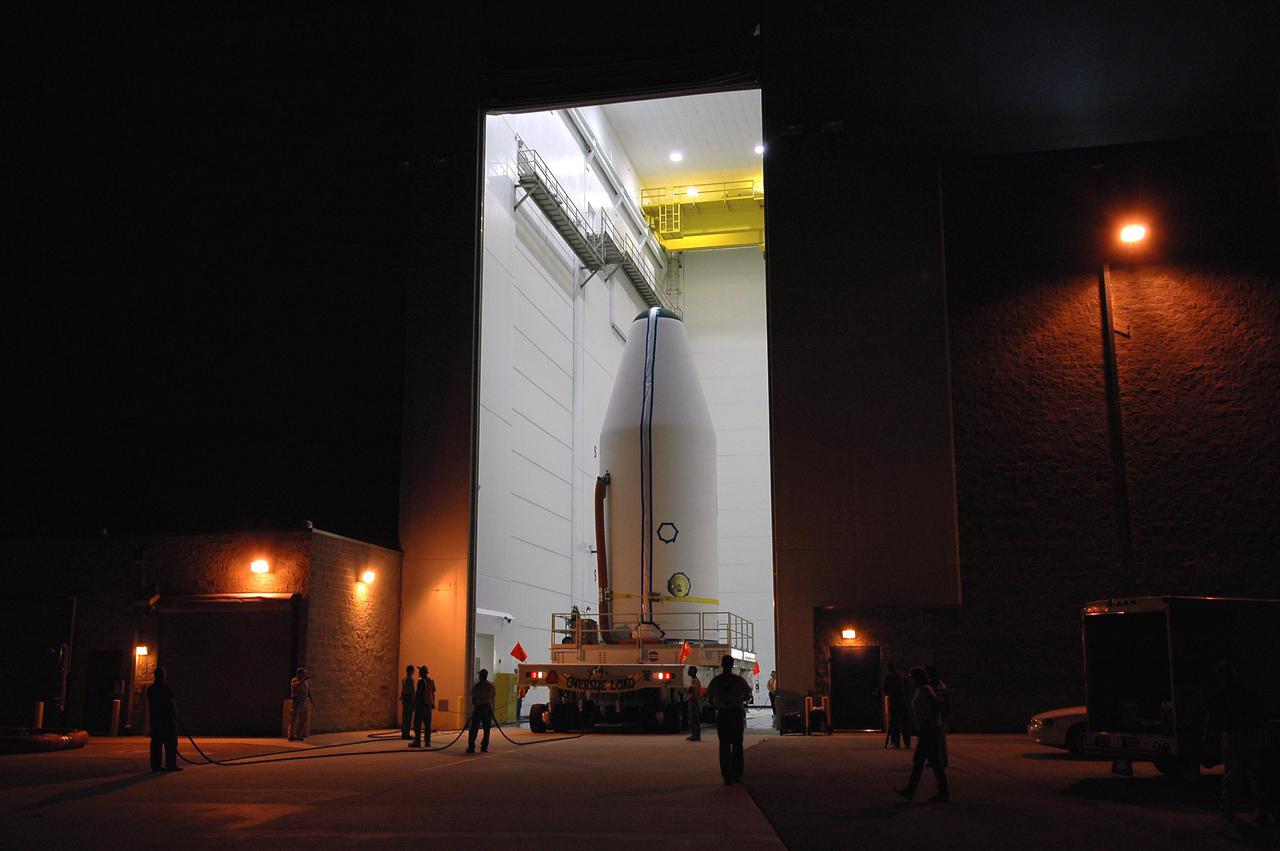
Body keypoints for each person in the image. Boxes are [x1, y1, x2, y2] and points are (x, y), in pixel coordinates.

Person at [1204, 661, 1265, 820]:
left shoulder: (1220, 694)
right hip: (1252, 734)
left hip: (1233, 735)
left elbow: (1211, 716)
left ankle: (1228, 808)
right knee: (1255, 772)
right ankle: (1262, 809)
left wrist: (1207, 735)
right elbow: (1259, 711)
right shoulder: (1246, 692)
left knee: (1233, 772)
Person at [895, 667, 949, 803]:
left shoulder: (925, 690)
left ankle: (912, 790)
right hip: (928, 729)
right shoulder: (925, 689)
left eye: (912, 678)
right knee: (931, 762)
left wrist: (928, 722)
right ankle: (940, 792)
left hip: (928, 730)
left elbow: (935, 706)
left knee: (921, 761)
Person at [705, 654, 752, 784]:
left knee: (724, 745)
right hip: (736, 714)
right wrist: (737, 700)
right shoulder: (738, 680)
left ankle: (726, 775)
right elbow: (748, 696)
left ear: (722, 665)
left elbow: (709, 698)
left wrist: (719, 704)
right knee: (737, 745)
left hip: (723, 714)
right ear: (732, 665)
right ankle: (737, 773)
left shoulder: (716, 681)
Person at [147, 667, 181, 772]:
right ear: (163, 676)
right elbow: (171, 702)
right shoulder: (165, 688)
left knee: (156, 743)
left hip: (155, 720)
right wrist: (174, 716)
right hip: (167, 720)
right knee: (171, 742)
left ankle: (156, 766)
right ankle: (171, 765)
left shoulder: (151, 689)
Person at [926, 664, 950, 769]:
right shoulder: (942, 685)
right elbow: (948, 701)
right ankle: (943, 760)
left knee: (933, 739)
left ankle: (936, 760)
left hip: (935, 714)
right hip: (942, 712)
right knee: (940, 738)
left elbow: (931, 702)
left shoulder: (930, 686)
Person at [467, 668, 496, 753]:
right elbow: (493, 698)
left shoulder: (477, 686)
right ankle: (484, 747)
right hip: (487, 708)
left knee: (474, 728)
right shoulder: (491, 686)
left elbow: (473, 699)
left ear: (480, 676)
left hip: (479, 708)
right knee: (486, 729)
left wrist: (475, 707)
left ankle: (471, 747)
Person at [883, 662, 908, 749]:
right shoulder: (901, 674)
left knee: (894, 721)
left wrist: (889, 693)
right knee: (904, 720)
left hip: (894, 698)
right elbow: (906, 682)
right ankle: (906, 742)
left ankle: (895, 742)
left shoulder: (889, 676)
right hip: (902, 698)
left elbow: (885, 687)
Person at [409, 665, 436, 748]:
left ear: (423, 673)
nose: (419, 672)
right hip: (429, 706)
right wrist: (432, 703)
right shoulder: (431, 681)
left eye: (420, 671)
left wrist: (414, 705)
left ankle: (417, 741)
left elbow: (418, 695)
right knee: (427, 725)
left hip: (421, 705)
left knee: (417, 724)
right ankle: (427, 742)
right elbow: (432, 693)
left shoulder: (420, 681)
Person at [289, 667, 312, 742]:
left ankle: (299, 735)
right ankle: (291, 735)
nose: (304, 675)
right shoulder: (294, 680)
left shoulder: (305, 682)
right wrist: (304, 680)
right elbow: (296, 686)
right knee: (294, 719)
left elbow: (307, 691)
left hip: (303, 702)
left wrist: (311, 698)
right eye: (303, 673)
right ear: (299, 674)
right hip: (296, 702)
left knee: (303, 719)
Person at [686, 666, 704, 742]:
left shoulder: (694, 680)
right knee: (693, 718)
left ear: (693, 671)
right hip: (694, 700)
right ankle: (694, 735)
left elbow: (691, 690)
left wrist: (688, 690)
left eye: (690, 670)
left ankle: (696, 735)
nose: (688, 671)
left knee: (694, 718)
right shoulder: (694, 680)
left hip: (693, 700)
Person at [400, 665, 416, 739]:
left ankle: (404, 733)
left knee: (405, 717)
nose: (414, 672)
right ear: (410, 671)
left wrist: (402, 699)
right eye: (413, 670)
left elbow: (402, 690)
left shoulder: (403, 679)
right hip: (409, 699)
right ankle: (406, 734)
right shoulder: (410, 679)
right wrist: (414, 701)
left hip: (405, 699)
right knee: (408, 717)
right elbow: (412, 691)